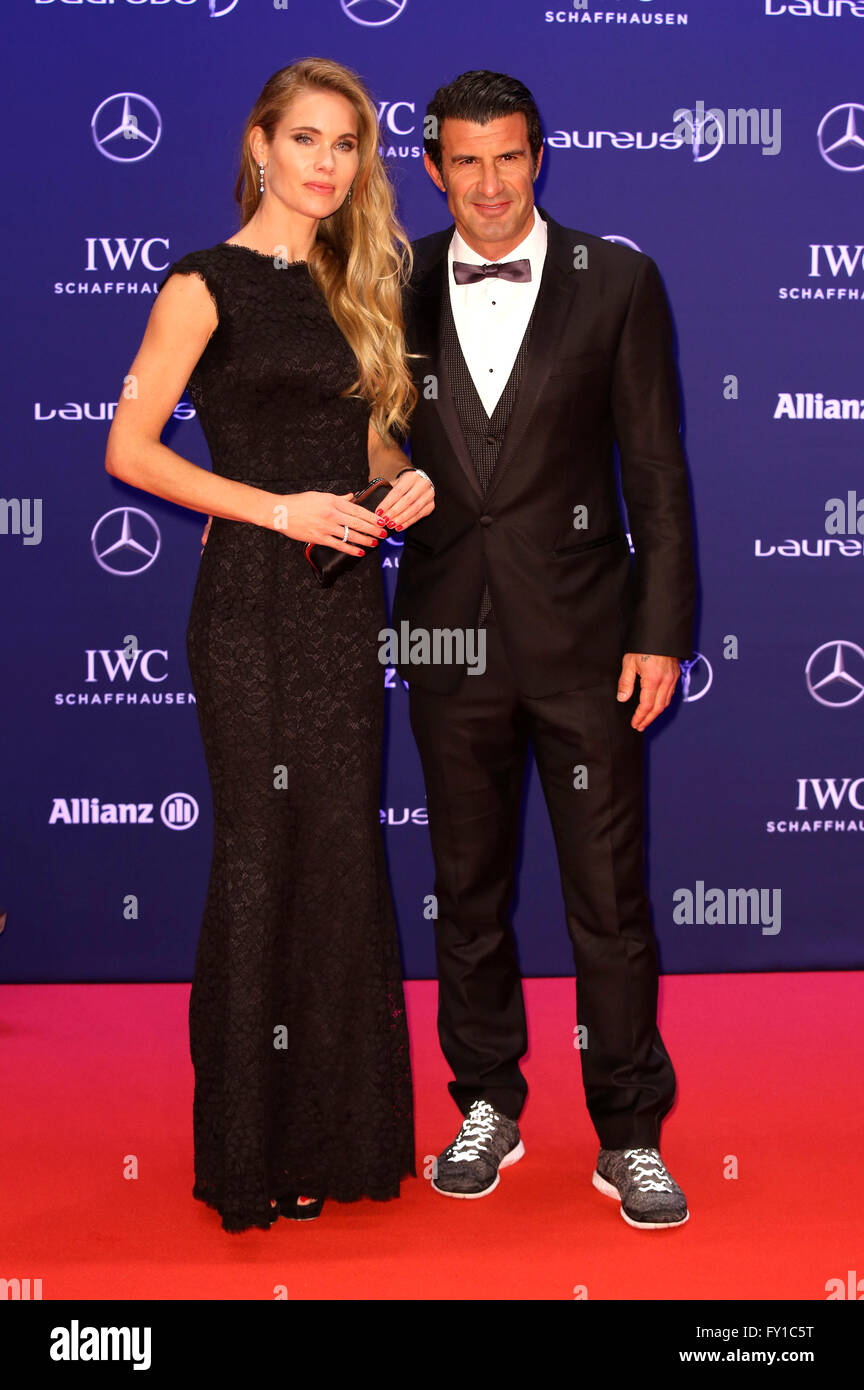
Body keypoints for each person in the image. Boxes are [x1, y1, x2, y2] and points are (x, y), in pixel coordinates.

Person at [104, 58, 434, 1233]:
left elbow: (373, 447)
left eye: (346, 144)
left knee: (340, 851)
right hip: (249, 597)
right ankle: (254, 1145)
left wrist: (405, 484)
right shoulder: (204, 283)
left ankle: (341, 1141)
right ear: (259, 145)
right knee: (258, 856)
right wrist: (276, 506)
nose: (326, 163)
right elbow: (130, 450)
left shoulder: (364, 283)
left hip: (343, 603)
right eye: (305, 138)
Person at [391, 70, 697, 1229]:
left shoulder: (615, 280)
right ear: (432, 166)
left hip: (585, 642)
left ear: (539, 156)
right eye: (465, 161)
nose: (489, 184)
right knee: (466, 892)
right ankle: (486, 1102)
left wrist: (661, 629)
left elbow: (656, 471)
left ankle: (629, 1132)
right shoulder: (389, 279)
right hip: (444, 633)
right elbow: (363, 440)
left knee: (608, 901)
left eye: (508, 157)